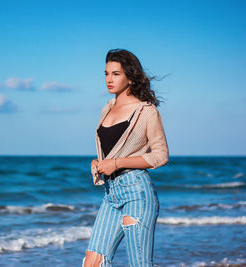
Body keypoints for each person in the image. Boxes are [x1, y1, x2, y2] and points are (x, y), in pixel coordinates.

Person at [82, 49, 169, 267]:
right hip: (111, 195)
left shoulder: (146, 111)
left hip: (137, 193)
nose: (109, 79)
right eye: (106, 74)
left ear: (130, 76)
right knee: (93, 262)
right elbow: (112, 150)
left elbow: (160, 155)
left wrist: (117, 164)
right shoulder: (108, 108)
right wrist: (98, 162)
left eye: (116, 74)